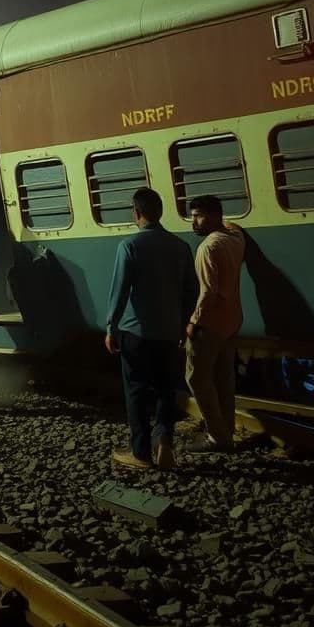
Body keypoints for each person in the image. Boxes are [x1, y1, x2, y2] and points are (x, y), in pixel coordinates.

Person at [105, 187, 199, 470]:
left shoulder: (129, 246)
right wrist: (183, 323)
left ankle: (141, 453)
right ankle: (165, 441)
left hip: (136, 333)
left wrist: (111, 326)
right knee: (166, 390)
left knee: (136, 391)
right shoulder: (180, 247)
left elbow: (119, 291)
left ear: (136, 213)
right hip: (169, 334)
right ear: (160, 212)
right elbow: (191, 292)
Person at [184, 194, 246, 453]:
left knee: (196, 379)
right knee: (223, 380)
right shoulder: (235, 238)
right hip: (231, 320)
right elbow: (232, 226)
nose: (194, 222)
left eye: (198, 216)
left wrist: (193, 321)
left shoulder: (208, 247)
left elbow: (207, 292)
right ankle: (227, 430)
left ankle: (217, 437)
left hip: (209, 324)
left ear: (212, 216)